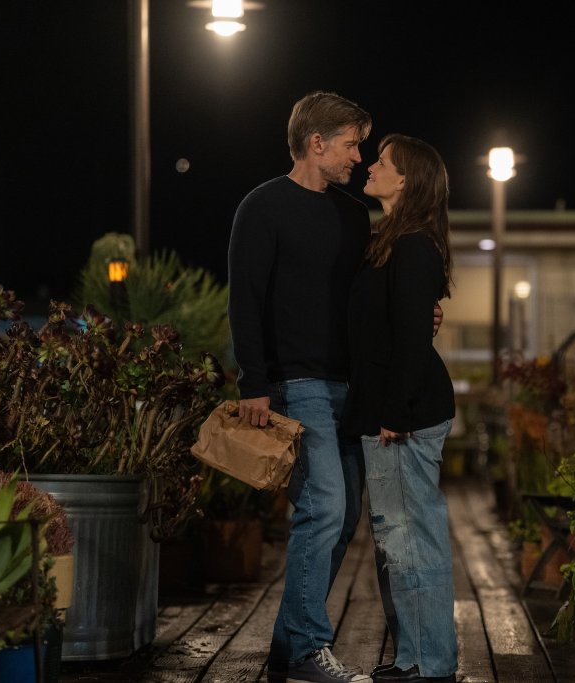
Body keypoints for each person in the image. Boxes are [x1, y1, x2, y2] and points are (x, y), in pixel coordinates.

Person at [227, 91, 374, 683]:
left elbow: (365, 301)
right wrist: (254, 385)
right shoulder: (262, 208)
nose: (359, 158)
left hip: (351, 389)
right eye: (350, 144)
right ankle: (312, 649)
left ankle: (287, 652)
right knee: (325, 507)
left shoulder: (353, 215)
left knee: (343, 516)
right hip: (297, 386)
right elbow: (246, 301)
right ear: (316, 144)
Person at [342, 134, 458, 683]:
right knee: (397, 541)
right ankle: (415, 657)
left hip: (405, 415)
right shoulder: (391, 239)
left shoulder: (412, 245)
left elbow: (412, 339)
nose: (371, 165)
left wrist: (393, 414)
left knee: (413, 542)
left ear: (407, 180)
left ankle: (430, 664)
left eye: (382, 162)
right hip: (388, 412)